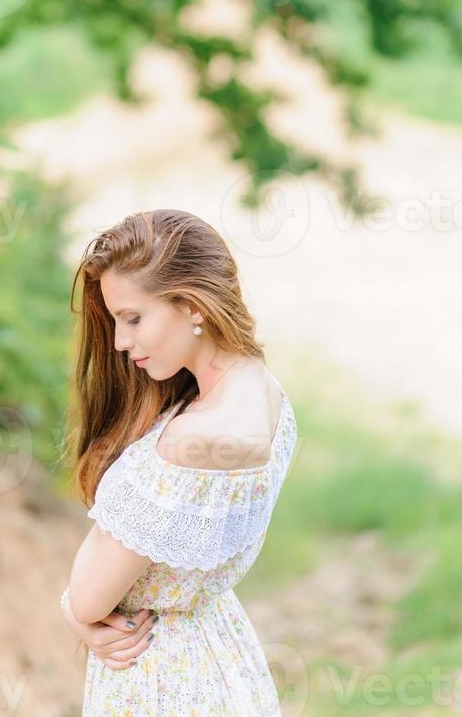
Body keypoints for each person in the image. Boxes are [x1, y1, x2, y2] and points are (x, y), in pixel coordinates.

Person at [59, 208, 298, 715]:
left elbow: (88, 600)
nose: (121, 343)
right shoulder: (266, 392)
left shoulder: (189, 442)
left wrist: (72, 609)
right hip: (221, 653)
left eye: (134, 318)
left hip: (163, 679)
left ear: (192, 306)